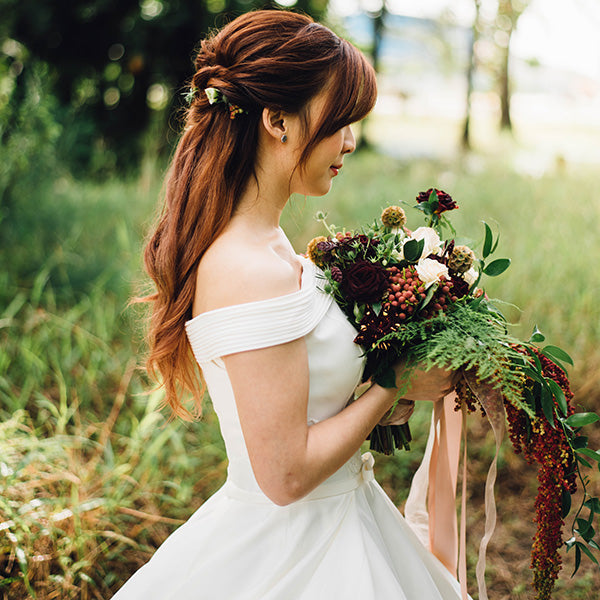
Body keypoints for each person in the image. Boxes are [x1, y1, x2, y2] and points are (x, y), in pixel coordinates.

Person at [114, 9, 463, 599]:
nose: (350, 141)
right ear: (277, 120)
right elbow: (285, 475)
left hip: (348, 515)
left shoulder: (271, 243)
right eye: (340, 121)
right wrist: (394, 378)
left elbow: (305, 396)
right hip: (296, 551)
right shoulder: (246, 268)